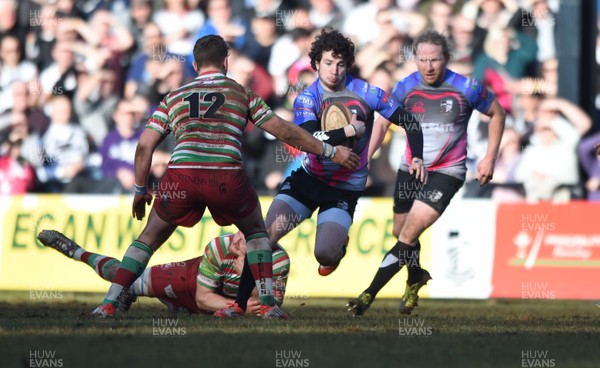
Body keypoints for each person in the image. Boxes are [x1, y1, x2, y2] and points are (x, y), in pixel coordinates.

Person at [90, 34, 358, 319]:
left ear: (194, 65)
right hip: (226, 176)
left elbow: (144, 145)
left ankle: (108, 303)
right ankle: (267, 305)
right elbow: (282, 129)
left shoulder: (174, 97)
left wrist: (140, 188)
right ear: (226, 62)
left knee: (148, 238)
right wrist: (329, 151)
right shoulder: (241, 93)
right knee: (257, 233)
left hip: (182, 176)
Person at [214, 28, 425, 319]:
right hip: (307, 181)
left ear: (347, 65)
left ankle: (337, 247)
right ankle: (239, 305)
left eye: (340, 64)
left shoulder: (367, 93)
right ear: (315, 64)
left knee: (324, 254)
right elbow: (311, 138)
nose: (334, 70)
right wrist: (349, 131)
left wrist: (419, 158)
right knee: (264, 237)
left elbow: (409, 121)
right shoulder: (306, 97)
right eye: (328, 62)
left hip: (343, 190)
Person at [347, 29, 506, 316]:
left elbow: (498, 113)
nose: (428, 66)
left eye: (434, 60)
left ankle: (367, 295)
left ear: (446, 58)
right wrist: (365, 158)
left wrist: (489, 158)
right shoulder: (405, 87)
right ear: (415, 59)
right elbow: (383, 123)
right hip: (410, 167)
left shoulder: (467, 87)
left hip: (448, 171)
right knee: (400, 231)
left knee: (408, 232)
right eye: (422, 60)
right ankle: (415, 276)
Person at [37, 229, 289, 315]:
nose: (234, 240)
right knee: (123, 276)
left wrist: (251, 274)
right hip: (192, 283)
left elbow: (267, 309)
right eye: (237, 232)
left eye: (243, 240)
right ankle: (76, 251)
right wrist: (240, 308)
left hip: (218, 300)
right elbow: (204, 297)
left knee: (192, 311)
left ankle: (178, 307)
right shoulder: (219, 246)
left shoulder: (278, 262)